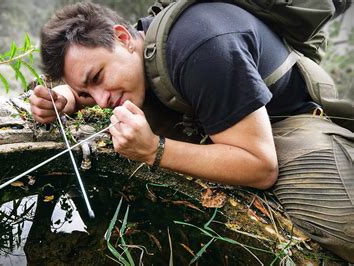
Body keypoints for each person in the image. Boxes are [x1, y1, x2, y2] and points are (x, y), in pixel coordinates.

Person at [28, 2, 354, 262]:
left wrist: (154, 149)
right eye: (86, 91)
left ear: (123, 38)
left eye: (97, 77)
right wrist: (66, 98)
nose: (101, 100)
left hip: (288, 121)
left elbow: (261, 166)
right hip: (233, 122)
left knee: (344, 229)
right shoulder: (138, 50)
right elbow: (90, 85)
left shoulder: (201, 49)